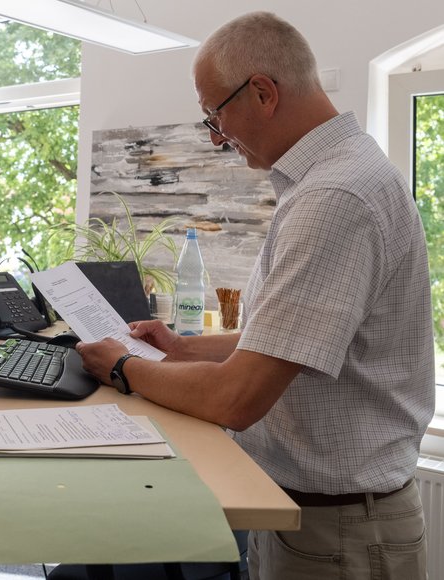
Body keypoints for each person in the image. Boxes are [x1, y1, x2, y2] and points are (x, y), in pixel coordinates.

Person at [74, 11, 435, 580]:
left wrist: (121, 367)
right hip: (315, 518)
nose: (218, 138)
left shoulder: (336, 196)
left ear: (263, 92)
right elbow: (293, 338)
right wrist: (183, 348)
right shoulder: (338, 178)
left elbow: (239, 398)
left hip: (338, 533)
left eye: (215, 115)